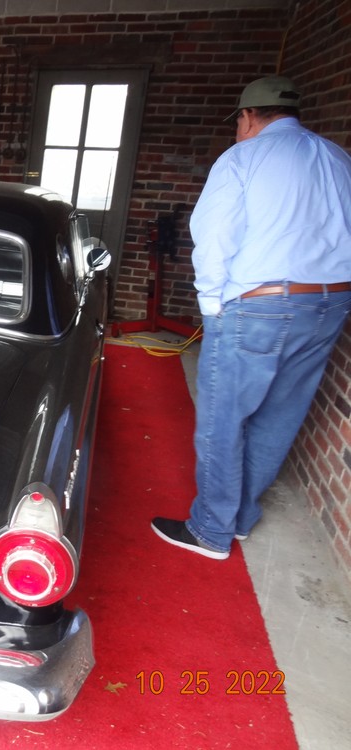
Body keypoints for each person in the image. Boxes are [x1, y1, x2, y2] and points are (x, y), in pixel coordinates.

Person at [151, 75, 351, 560]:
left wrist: (212, 307)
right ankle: (240, 518)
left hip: (261, 302)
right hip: (330, 302)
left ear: (248, 117)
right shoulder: (338, 158)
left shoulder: (243, 158)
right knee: (280, 415)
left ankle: (210, 529)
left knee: (223, 418)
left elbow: (214, 235)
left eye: (238, 121)